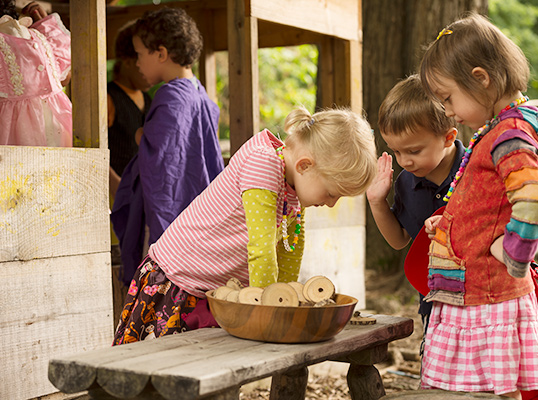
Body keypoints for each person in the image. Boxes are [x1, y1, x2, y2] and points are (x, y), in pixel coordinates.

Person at [113, 106, 378, 345]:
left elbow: (290, 251)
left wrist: (287, 301)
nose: (331, 204)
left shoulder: (294, 188)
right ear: (305, 165)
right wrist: (270, 315)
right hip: (175, 284)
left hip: (212, 293)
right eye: (332, 193)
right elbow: (261, 250)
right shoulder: (263, 162)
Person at [419, 13, 538, 399]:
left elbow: (534, 199)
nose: (448, 111)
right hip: (479, 289)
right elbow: (524, 186)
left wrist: (514, 252)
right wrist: (452, 223)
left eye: (449, 98)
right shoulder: (511, 124)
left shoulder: (510, 134)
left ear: (480, 78)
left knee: (492, 392)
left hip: (486, 295)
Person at [111, 7, 224, 286]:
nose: (137, 63)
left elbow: (162, 160)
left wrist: (140, 135)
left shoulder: (170, 96)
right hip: (196, 209)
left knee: (159, 285)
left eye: (139, 54)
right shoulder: (200, 93)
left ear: (160, 53)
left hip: (169, 210)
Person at [366, 74, 464, 350]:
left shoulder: (473, 171)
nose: (405, 161)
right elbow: (399, 239)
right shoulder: (406, 181)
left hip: (478, 296)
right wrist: (377, 201)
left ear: (448, 137)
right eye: (395, 152)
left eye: (414, 150)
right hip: (433, 297)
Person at [0, 0, 71, 146]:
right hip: (57, 130)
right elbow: (65, 78)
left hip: (12, 139)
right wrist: (43, 22)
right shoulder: (44, 38)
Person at [108, 20, 152, 198]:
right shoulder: (109, 97)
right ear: (127, 62)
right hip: (115, 196)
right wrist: (116, 186)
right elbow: (92, 148)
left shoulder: (149, 100)